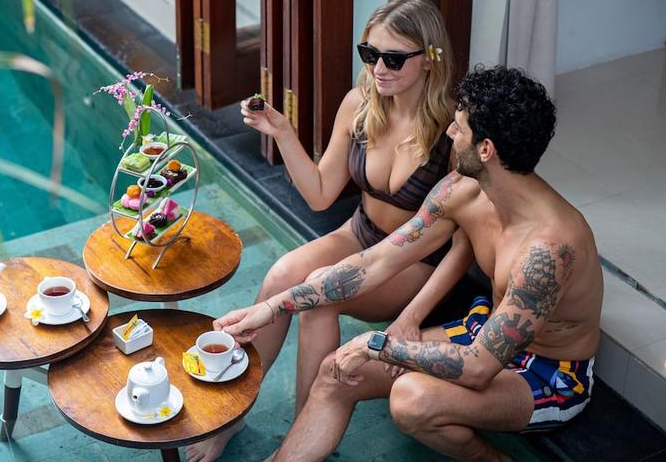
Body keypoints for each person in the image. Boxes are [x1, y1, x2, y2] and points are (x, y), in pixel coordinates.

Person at [215, 66, 603, 462]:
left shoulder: (547, 251)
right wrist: (273, 307)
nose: (449, 133)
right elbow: (375, 262)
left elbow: (477, 368)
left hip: (548, 372)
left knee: (411, 399)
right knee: (336, 372)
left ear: (486, 149)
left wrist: (377, 345)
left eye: (459, 128)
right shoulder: (462, 191)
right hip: (485, 333)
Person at [188, 0, 473, 462]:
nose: (378, 69)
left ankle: (302, 438)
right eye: (370, 53)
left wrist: (412, 315)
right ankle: (234, 413)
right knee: (281, 275)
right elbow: (321, 194)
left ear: (429, 58)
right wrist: (283, 133)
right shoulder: (361, 104)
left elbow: (463, 244)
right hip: (360, 233)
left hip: (417, 262)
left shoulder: (453, 131)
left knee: (319, 300)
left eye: (393, 58)